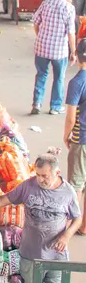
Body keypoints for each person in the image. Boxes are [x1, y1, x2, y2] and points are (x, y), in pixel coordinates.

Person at [0, 153, 81, 283]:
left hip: (56, 256)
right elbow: (1, 200)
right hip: (30, 256)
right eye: (37, 174)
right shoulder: (28, 186)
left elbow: (77, 218)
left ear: (57, 173)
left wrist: (66, 235)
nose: (40, 180)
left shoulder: (68, 192)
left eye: (45, 176)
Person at [32, 0, 77, 115]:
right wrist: (73, 52)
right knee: (59, 78)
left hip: (41, 48)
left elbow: (36, 22)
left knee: (41, 75)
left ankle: (37, 103)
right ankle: (55, 107)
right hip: (59, 51)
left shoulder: (46, 3)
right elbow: (71, 32)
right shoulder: (69, 8)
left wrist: (40, 36)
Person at [65, 39, 86, 236]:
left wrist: (66, 135)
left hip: (82, 140)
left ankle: (70, 228)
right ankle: (84, 225)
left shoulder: (77, 82)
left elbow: (71, 117)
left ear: (77, 55)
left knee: (76, 185)